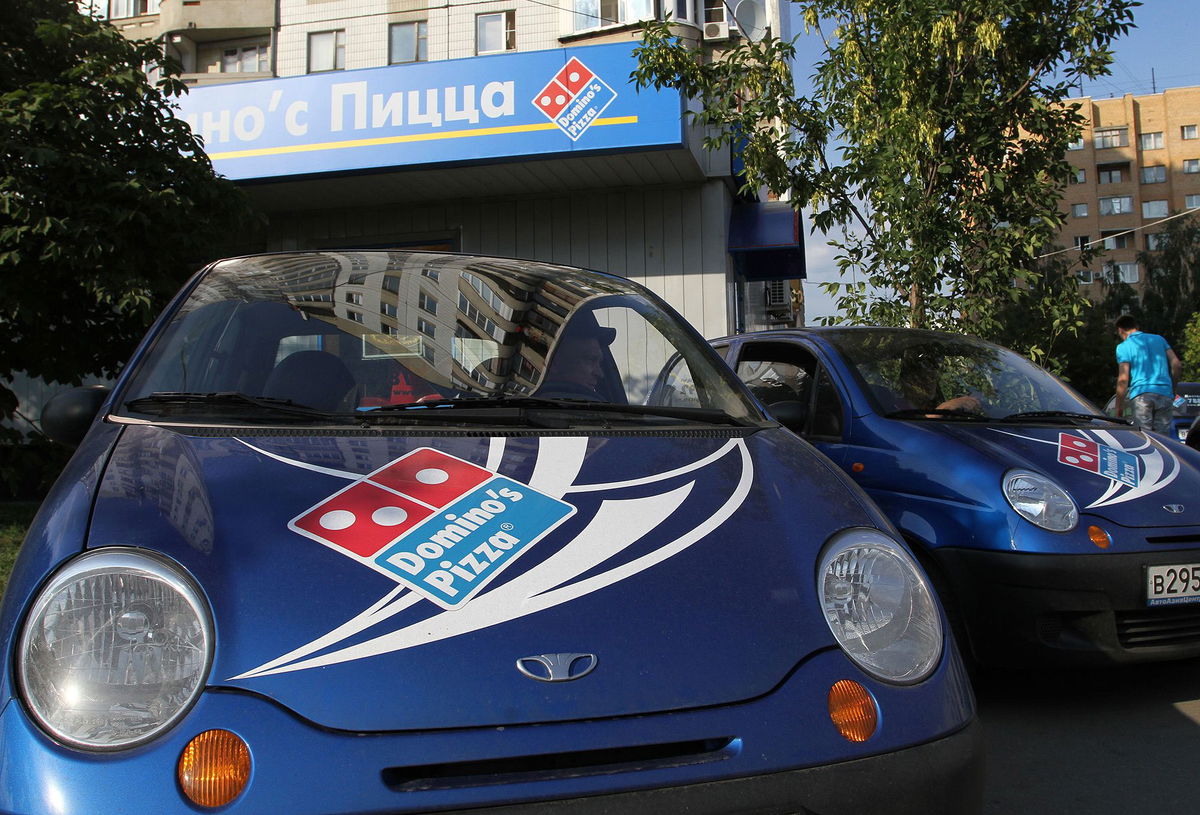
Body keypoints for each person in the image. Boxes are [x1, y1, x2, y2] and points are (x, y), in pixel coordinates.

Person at [1113, 314, 1182, 434]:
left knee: (1145, 439)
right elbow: (1176, 364)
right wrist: (1173, 388)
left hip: (1141, 395)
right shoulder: (1159, 339)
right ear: (1137, 326)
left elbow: (1123, 379)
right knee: (1163, 441)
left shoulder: (1123, 347)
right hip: (1165, 393)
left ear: (1120, 330)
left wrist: (1119, 406)